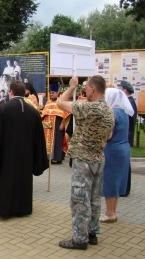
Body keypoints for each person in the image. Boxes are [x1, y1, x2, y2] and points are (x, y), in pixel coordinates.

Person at [57, 76, 114, 250]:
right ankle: (92, 232)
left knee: (80, 199)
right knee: (95, 198)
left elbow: (60, 103)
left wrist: (72, 87)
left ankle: (80, 239)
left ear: (93, 89)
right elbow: (109, 135)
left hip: (84, 160)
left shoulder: (88, 107)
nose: (85, 90)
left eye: (86, 88)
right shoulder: (109, 111)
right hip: (99, 158)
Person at [0, 80, 48, 218]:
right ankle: (22, 208)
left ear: (10, 92)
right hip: (25, 158)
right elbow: (39, 140)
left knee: (4, 182)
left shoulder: (2, 109)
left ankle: (3, 209)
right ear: (24, 93)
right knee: (22, 180)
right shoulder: (33, 112)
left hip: (5, 157)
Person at [101, 88, 133, 223]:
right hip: (124, 148)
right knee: (118, 181)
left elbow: (109, 135)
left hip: (113, 150)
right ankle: (113, 211)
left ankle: (109, 214)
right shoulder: (124, 112)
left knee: (109, 180)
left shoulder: (112, 113)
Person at [117, 80, 137, 197]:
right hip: (125, 137)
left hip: (125, 137)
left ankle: (124, 188)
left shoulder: (129, 102)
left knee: (124, 164)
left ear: (125, 90)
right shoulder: (128, 101)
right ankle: (124, 187)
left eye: (120, 88)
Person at [41, 84, 70, 164]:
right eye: (50, 93)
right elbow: (43, 113)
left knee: (57, 141)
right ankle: (48, 158)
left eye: (53, 93)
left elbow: (65, 114)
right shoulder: (48, 102)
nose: (51, 94)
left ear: (57, 93)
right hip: (48, 126)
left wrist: (63, 124)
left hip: (57, 125)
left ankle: (57, 158)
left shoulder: (60, 102)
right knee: (47, 142)